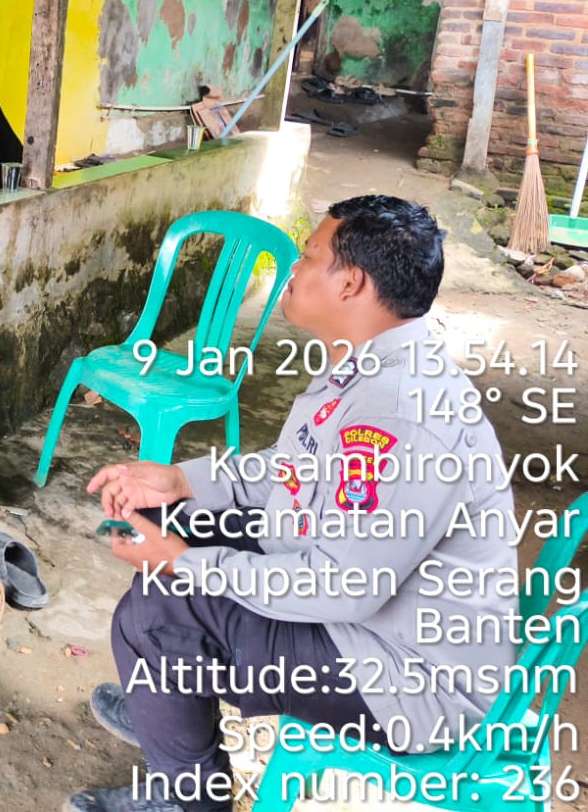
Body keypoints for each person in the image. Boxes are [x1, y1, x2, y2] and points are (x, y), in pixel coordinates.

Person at [69, 196, 518, 812]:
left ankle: (188, 793)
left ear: (351, 283)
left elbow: (344, 587)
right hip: (367, 615)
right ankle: (169, 709)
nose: (293, 270)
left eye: (308, 256)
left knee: (156, 613)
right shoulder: (368, 363)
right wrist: (181, 482)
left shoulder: (399, 413)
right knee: (166, 522)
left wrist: (185, 563)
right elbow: (294, 469)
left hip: (404, 676)